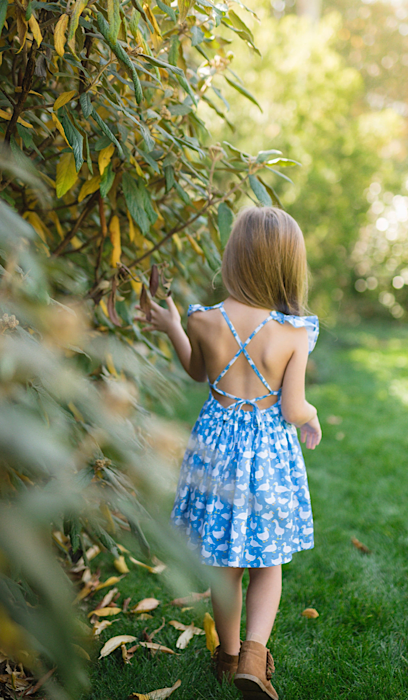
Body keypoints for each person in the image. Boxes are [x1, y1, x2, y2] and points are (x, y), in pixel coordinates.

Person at [139, 206, 322, 700]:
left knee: (225, 563)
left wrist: (174, 325)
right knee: (267, 563)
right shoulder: (294, 332)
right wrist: (311, 416)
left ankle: (226, 654)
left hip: (216, 451)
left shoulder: (204, 319)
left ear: (234, 258)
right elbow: (292, 406)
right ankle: (253, 658)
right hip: (267, 454)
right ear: (287, 265)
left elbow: (197, 373)